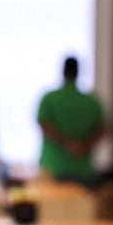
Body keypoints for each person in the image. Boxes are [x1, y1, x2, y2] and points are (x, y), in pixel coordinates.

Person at [37, 56, 105, 186]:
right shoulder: (91, 101)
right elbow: (101, 130)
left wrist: (66, 143)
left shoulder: (49, 98)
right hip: (83, 170)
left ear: (62, 71)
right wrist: (83, 146)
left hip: (53, 168)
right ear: (78, 72)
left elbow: (45, 125)